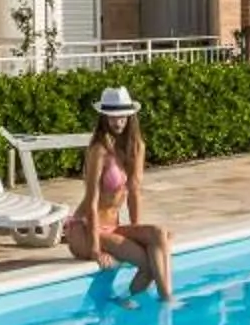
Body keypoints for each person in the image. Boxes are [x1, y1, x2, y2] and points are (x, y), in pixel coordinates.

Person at [66, 85, 172, 300]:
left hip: (113, 225)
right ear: (104, 117)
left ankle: (157, 297)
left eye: (122, 116)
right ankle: (163, 301)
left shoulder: (136, 147)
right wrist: (95, 248)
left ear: (130, 116)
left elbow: (134, 192)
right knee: (149, 262)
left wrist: (136, 229)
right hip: (86, 227)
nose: (118, 122)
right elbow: (91, 200)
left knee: (159, 235)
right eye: (113, 117)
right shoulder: (99, 150)